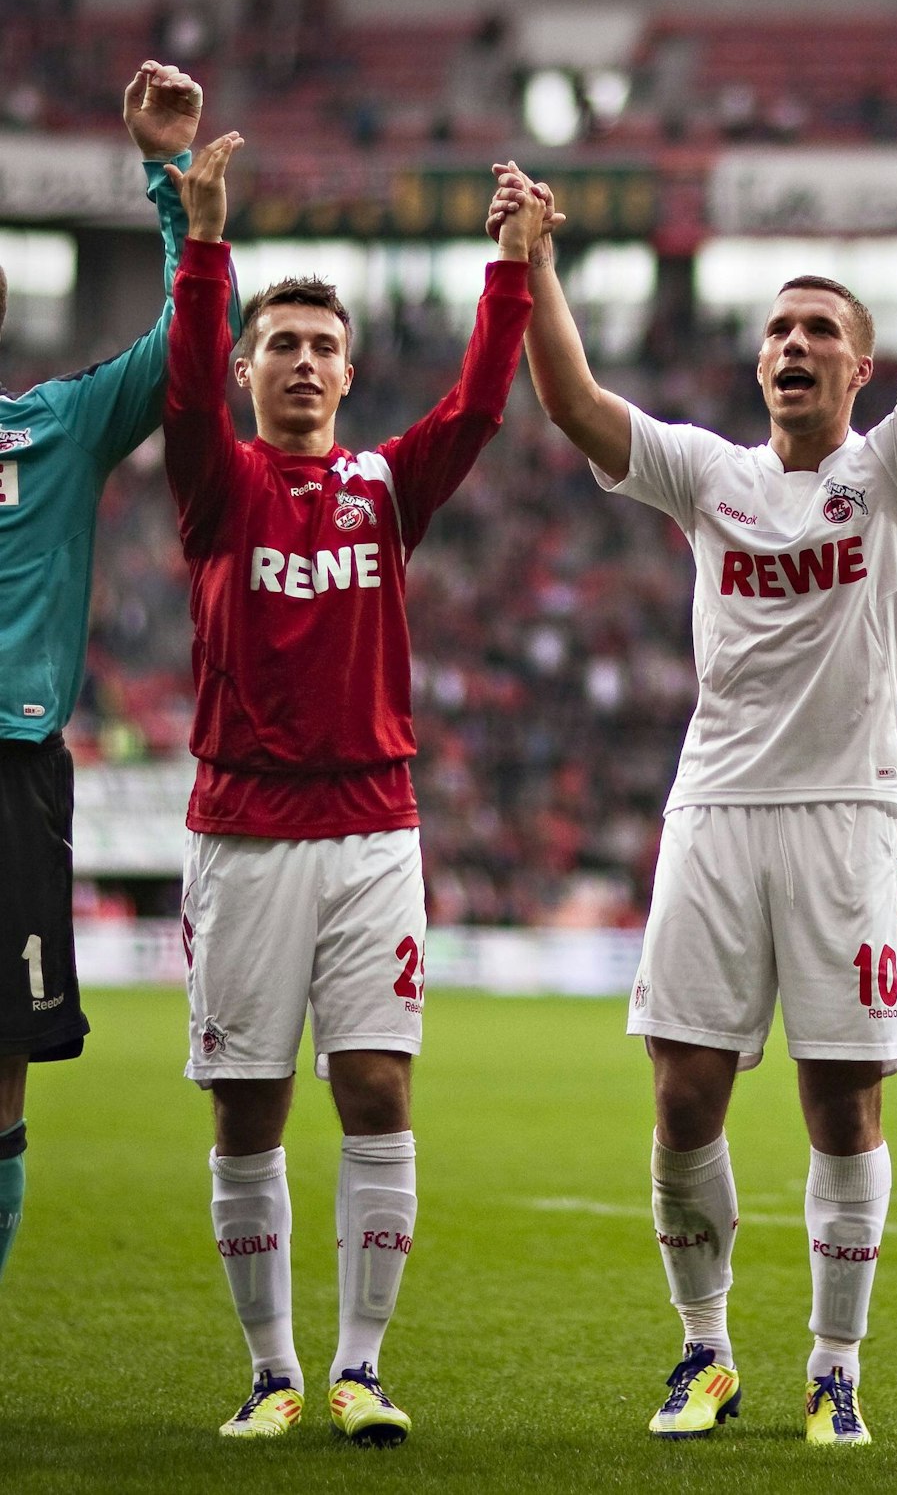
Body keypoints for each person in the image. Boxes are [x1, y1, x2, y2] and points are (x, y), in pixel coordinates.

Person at [483, 83, 897, 1446]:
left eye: (821, 330)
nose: (795, 344)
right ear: (759, 367)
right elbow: (575, 404)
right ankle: (704, 1352)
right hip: (715, 811)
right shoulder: (709, 475)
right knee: (685, 1092)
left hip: (847, 818)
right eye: (778, 331)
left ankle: (834, 1367)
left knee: (840, 1099)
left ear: (859, 370)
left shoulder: (895, 479)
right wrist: (537, 265)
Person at [162, 132, 540, 1444]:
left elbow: (481, 411)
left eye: (326, 346)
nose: (308, 362)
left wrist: (511, 270)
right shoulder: (216, 483)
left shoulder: (384, 485)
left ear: (350, 370)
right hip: (245, 836)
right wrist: (205, 235)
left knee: (377, 1092)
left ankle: (360, 1367)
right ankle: (271, 1372)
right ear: (249, 370)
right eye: (285, 346)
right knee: (249, 1110)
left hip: (375, 828)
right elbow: (181, 380)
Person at [0, 60, 215, 1287]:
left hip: (13, 775)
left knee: (3, 1078)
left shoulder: (56, 425)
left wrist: (172, 180)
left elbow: (191, 343)